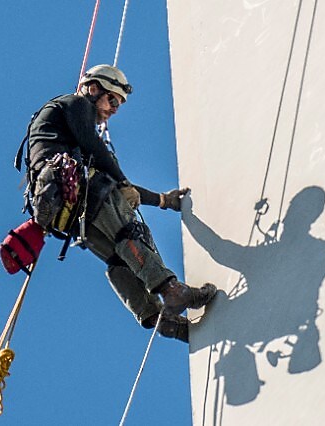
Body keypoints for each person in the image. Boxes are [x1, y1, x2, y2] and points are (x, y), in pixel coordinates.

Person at [16, 64, 215, 342]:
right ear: (93, 88)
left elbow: (114, 182)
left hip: (69, 212)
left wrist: (162, 200)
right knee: (128, 234)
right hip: (83, 192)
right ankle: (172, 291)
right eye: (112, 100)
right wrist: (121, 182)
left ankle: (160, 320)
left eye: (119, 104)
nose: (114, 110)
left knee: (117, 259)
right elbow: (96, 151)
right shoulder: (75, 104)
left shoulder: (62, 131)